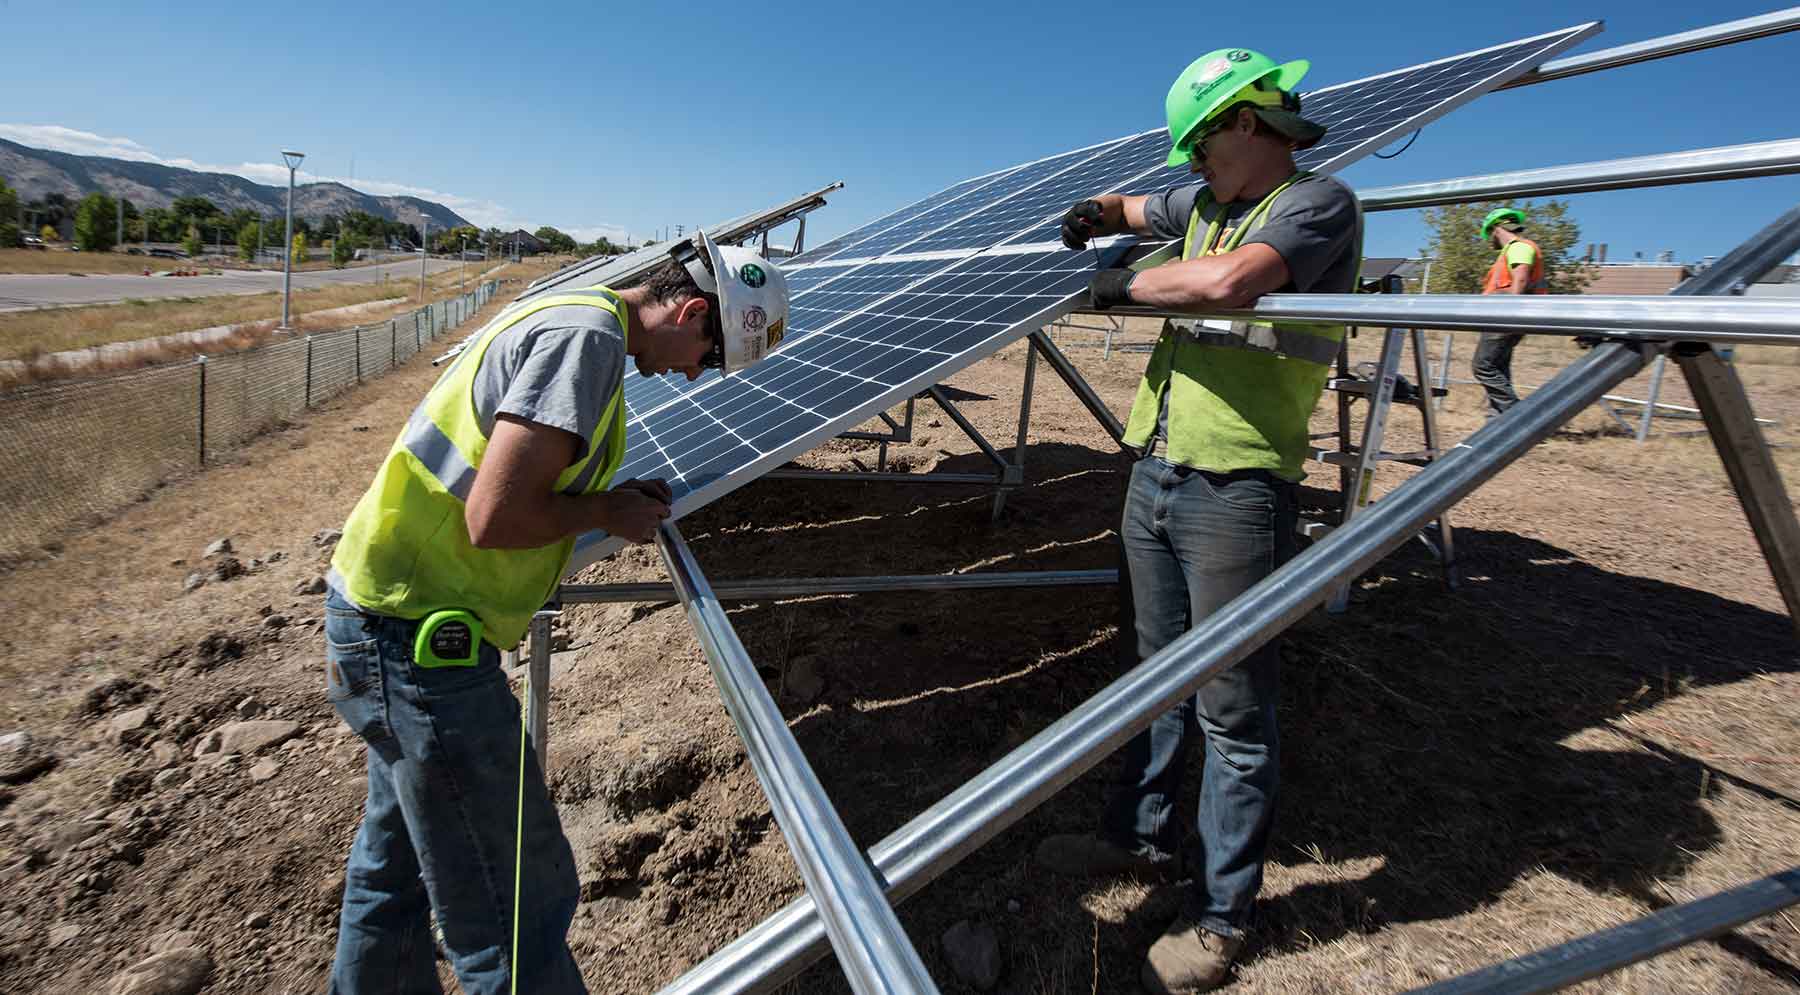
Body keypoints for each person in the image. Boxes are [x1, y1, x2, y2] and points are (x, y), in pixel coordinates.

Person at [321, 231, 789, 994]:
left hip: (389, 619)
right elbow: (494, 516)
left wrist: (606, 499)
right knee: (517, 907)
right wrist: (604, 507)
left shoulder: (577, 313)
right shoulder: (588, 341)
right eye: (708, 357)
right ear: (693, 310)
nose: (695, 376)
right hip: (419, 642)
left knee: (397, 871)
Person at [1047, 47, 1362, 994]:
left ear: (1249, 126)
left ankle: (1224, 918)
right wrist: (1094, 215)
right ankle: (1135, 840)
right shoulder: (1203, 202)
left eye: (1202, 142)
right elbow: (1133, 208)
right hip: (1157, 467)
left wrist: (1123, 286)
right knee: (1151, 673)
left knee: (1232, 705)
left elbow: (1231, 284)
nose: (1190, 163)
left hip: (1239, 483)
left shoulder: (1318, 204)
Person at [1470, 206, 1549, 416]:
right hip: (1507, 313)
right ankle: (1496, 421)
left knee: (1483, 366)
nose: (1490, 240)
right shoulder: (1513, 250)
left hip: (1506, 313)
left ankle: (1516, 417)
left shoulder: (1519, 247)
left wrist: (1510, 308)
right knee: (1499, 368)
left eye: (1489, 234)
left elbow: (1521, 276)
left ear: (1496, 228)